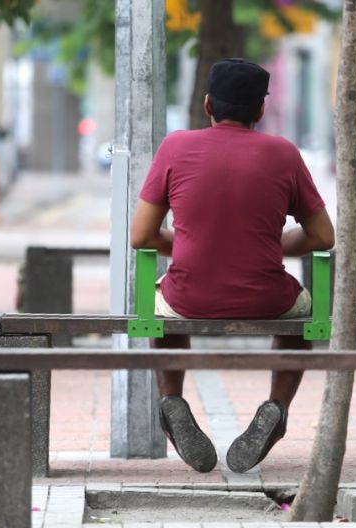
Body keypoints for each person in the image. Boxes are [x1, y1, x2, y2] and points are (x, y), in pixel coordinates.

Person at [130, 58, 335, 474]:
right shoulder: (283, 153)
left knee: (163, 304)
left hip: (190, 296)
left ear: (207, 104)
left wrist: (193, 243)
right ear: (260, 111)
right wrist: (272, 246)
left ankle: (172, 398)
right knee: (304, 308)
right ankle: (276, 406)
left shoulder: (175, 147)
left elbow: (142, 237)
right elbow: (322, 237)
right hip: (266, 298)